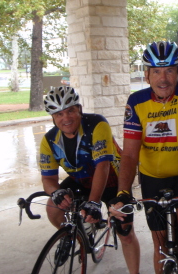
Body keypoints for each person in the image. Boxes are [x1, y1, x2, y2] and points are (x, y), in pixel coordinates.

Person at [109, 41, 178, 274]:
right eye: (157, 71)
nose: (164, 79)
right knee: (160, 244)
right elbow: (129, 154)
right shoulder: (136, 102)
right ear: (147, 74)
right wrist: (123, 192)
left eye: (170, 70)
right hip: (153, 178)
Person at [39, 86, 140, 274]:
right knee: (53, 208)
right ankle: (79, 236)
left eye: (70, 111)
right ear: (52, 117)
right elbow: (48, 179)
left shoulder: (97, 124)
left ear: (79, 109)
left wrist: (93, 202)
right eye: (59, 114)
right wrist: (56, 192)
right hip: (81, 179)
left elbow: (103, 166)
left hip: (112, 178)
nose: (66, 118)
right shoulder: (49, 140)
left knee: (124, 231)